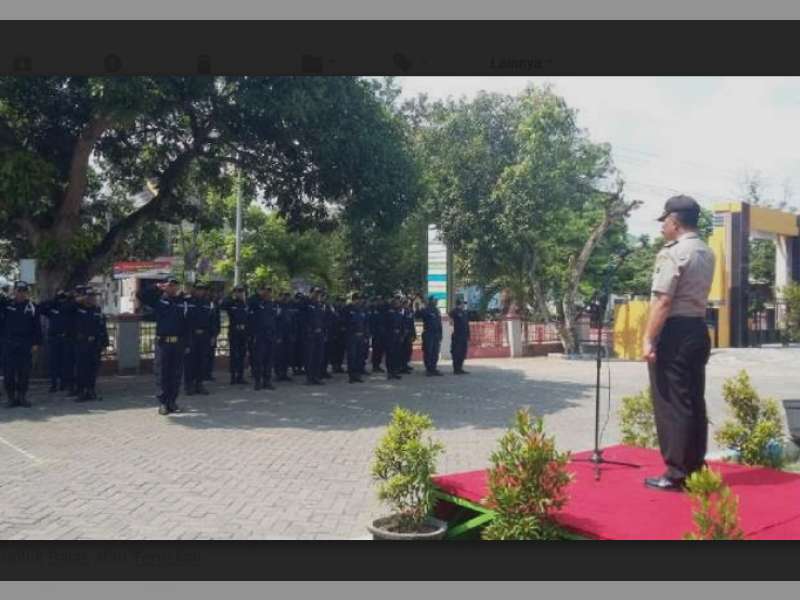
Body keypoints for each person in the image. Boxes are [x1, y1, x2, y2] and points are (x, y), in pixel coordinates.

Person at [643, 195, 715, 492]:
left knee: (672, 402)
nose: (662, 228)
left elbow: (664, 300)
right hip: (698, 328)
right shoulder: (705, 251)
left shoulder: (674, 253)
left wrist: (648, 338)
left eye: (664, 222)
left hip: (674, 332)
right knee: (693, 400)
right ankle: (695, 467)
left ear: (674, 221)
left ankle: (676, 473)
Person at [137, 277, 188, 416]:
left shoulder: (182, 303)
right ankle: (163, 403)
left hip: (178, 343)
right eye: (170, 285)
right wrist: (157, 286)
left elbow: (187, 324)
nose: (172, 288)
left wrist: (187, 343)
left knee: (176, 374)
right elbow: (141, 295)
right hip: (163, 343)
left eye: (175, 286)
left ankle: (172, 401)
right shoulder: (159, 301)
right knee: (162, 373)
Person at [1, 281, 42, 408]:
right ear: (14, 291)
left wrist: (36, 343)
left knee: (24, 372)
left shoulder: (32, 307)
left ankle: (22, 397)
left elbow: (37, 327)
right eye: (19, 291)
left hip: (25, 344)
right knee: (9, 373)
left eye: (24, 291)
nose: (21, 293)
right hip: (8, 343)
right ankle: (11, 398)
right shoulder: (6, 304)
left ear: (27, 292)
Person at [72, 287, 109, 402]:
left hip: (95, 344)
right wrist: (77, 300)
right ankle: (81, 391)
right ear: (84, 297)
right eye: (89, 296)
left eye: (93, 296)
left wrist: (104, 343)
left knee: (93, 368)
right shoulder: (76, 309)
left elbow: (102, 327)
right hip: (81, 343)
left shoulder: (97, 310)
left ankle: (91, 390)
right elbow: (66, 309)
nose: (92, 298)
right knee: (81, 368)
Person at [39, 289, 78, 393]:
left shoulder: (69, 308)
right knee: (53, 362)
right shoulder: (52, 308)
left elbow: (75, 306)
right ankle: (53, 384)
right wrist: (54, 300)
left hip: (66, 338)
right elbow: (41, 307)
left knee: (66, 362)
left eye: (63, 298)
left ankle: (64, 383)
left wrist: (69, 297)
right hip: (54, 338)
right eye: (60, 298)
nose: (61, 299)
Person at [183, 281, 213, 396]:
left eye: (202, 289)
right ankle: (188, 385)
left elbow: (211, 320)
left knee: (202, 361)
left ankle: (199, 384)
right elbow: (183, 320)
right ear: (193, 289)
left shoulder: (207, 303)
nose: (201, 291)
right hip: (191, 335)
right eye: (198, 289)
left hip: (204, 335)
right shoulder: (187, 301)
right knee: (190, 361)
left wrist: (212, 335)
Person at [248, 284, 278, 391]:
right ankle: (258, 381)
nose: (268, 293)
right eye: (266, 291)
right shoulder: (256, 302)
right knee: (258, 360)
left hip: (270, 335)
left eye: (270, 291)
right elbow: (249, 302)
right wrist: (258, 294)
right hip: (259, 335)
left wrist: (275, 335)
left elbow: (276, 320)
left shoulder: (272, 304)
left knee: (269, 360)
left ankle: (267, 381)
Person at [220, 285, 249, 385]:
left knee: (242, 355)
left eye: (241, 291)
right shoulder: (230, 303)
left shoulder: (245, 304)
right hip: (234, 331)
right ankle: (233, 377)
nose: (240, 293)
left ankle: (240, 376)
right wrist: (230, 295)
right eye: (237, 291)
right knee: (234, 355)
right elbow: (222, 305)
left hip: (243, 332)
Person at [302, 287, 326, 385]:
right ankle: (309, 377)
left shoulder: (319, 305)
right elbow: (302, 319)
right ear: (311, 293)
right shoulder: (305, 303)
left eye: (319, 293)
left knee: (318, 356)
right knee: (309, 356)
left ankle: (316, 376)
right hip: (309, 334)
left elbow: (323, 319)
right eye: (316, 293)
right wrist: (310, 329)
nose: (317, 295)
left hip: (319, 334)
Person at [344, 292, 370, 383]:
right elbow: (345, 323)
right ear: (353, 300)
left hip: (361, 336)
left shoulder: (362, 310)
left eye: (360, 299)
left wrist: (366, 335)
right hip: (352, 336)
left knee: (359, 356)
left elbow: (365, 323)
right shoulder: (347, 309)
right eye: (357, 299)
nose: (359, 301)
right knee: (352, 356)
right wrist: (352, 331)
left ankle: (358, 375)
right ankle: (351, 376)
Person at [416, 295, 444, 376]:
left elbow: (439, 324)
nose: (436, 301)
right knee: (428, 351)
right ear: (431, 301)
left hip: (436, 334)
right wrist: (418, 307)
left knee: (435, 352)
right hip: (428, 334)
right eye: (435, 300)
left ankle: (433, 368)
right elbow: (417, 315)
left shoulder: (437, 310)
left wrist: (441, 334)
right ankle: (428, 369)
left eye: (436, 300)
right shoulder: (426, 310)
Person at [274, 291, 295, 382]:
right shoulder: (276, 306)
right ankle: (278, 373)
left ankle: (284, 373)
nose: (286, 298)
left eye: (287, 296)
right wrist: (277, 335)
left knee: (287, 354)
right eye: (283, 296)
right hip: (279, 334)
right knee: (279, 355)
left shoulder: (289, 306)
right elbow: (274, 322)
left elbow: (292, 322)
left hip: (288, 334)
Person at [383, 295, 405, 380]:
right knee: (390, 355)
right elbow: (385, 325)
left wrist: (402, 335)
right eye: (396, 302)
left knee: (397, 355)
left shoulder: (399, 313)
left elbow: (402, 325)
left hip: (398, 336)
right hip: (390, 336)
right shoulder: (388, 312)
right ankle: (390, 372)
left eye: (399, 302)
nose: (398, 303)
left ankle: (395, 372)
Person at [449, 297, 471, 375]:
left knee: (463, 352)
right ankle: (456, 369)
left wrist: (468, 335)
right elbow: (451, 322)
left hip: (464, 336)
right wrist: (452, 332)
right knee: (456, 352)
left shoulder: (464, 313)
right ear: (459, 304)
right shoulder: (454, 312)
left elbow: (467, 325)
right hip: (457, 336)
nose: (463, 305)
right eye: (462, 304)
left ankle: (460, 368)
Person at [369, 296, 386, 373]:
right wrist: (372, 333)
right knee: (376, 350)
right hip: (376, 334)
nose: (380, 302)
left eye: (381, 300)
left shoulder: (383, 310)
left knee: (381, 350)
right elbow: (371, 323)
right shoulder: (372, 310)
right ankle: (375, 366)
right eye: (378, 301)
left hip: (382, 334)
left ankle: (378, 365)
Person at [400, 297, 416, 374]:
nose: (406, 304)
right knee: (403, 351)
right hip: (403, 334)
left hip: (409, 333)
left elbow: (412, 324)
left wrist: (414, 334)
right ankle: (402, 366)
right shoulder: (401, 312)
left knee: (408, 350)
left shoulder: (409, 312)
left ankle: (405, 364)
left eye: (407, 303)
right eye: (405, 303)